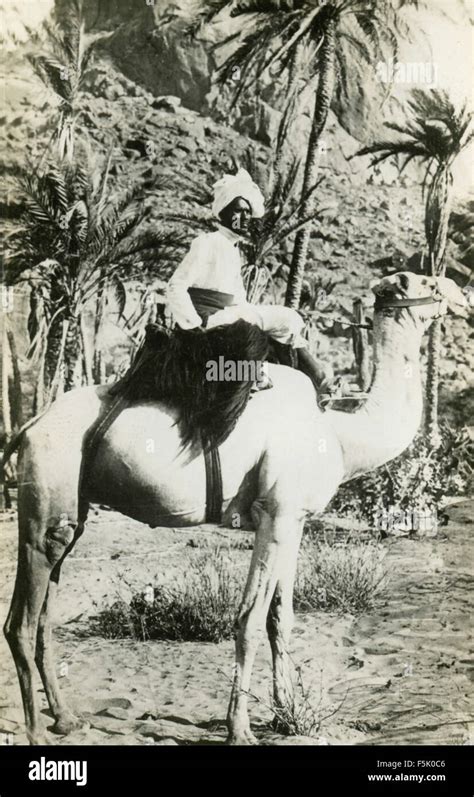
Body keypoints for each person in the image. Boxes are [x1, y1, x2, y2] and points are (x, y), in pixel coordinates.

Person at [166, 168, 331, 395]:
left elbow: (238, 299)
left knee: (289, 318)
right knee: (246, 330)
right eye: (238, 211)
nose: (245, 218)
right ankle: (253, 375)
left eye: (247, 213)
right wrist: (194, 327)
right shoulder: (206, 242)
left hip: (232, 311)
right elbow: (175, 287)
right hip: (210, 317)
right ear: (223, 212)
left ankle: (317, 380)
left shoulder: (234, 250)